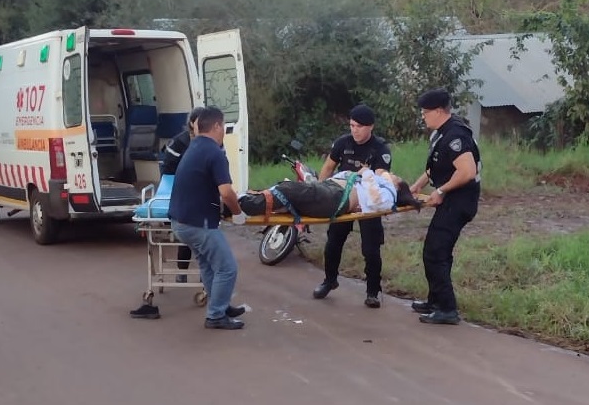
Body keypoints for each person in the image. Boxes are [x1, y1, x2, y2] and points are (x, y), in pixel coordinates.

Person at [168, 106, 247, 330]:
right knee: (228, 267)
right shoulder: (214, 152)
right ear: (216, 126)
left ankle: (219, 306)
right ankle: (215, 315)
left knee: (209, 266)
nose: (224, 132)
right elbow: (226, 192)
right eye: (223, 127)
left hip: (181, 221)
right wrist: (239, 213)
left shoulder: (194, 147)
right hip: (197, 223)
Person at [409, 87, 481, 325]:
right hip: (451, 200)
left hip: (459, 202)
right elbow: (436, 166)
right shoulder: (441, 133)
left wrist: (440, 191)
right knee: (438, 251)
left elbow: (467, 172)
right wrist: (417, 186)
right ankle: (435, 301)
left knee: (435, 252)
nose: (423, 116)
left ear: (439, 111)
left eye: (425, 112)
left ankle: (448, 309)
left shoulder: (456, 136)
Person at [313, 104, 393, 308]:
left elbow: (381, 179)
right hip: (343, 200)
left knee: (371, 249)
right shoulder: (343, 143)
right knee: (333, 243)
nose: (354, 130)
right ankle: (329, 280)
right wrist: (320, 192)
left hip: (368, 203)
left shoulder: (380, 149)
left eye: (359, 126)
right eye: (351, 125)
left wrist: (369, 201)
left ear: (370, 127)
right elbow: (328, 167)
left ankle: (373, 291)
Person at [238, 168, 420, 218]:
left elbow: (375, 201)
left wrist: (367, 173)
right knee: (286, 189)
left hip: (335, 198)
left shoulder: (389, 194)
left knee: (288, 191)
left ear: (398, 186)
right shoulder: (378, 182)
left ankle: (240, 205)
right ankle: (244, 201)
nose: (393, 174)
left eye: (396, 177)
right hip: (331, 191)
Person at [162, 107, 205, 283]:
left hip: (203, 196)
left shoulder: (214, 144)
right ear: (191, 124)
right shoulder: (179, 143)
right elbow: (167, 172)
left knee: (205, 237)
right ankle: (182, 272)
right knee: (186, 235)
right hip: (181, 194)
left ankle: (205, 274)